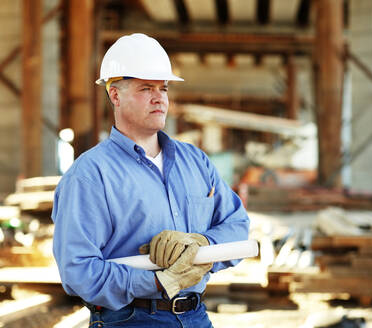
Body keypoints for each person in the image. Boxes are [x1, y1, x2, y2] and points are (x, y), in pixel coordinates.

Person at [51, 33, 250, 328]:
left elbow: (238, 227)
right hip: (130, 319)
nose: (159, 97)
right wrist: (160, 282)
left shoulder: (195, 162)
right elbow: (78, 272)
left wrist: (202, 243)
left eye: (164, 88)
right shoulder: (90, 175)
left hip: (195, 316)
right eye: (146, 88)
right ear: (114, 95)